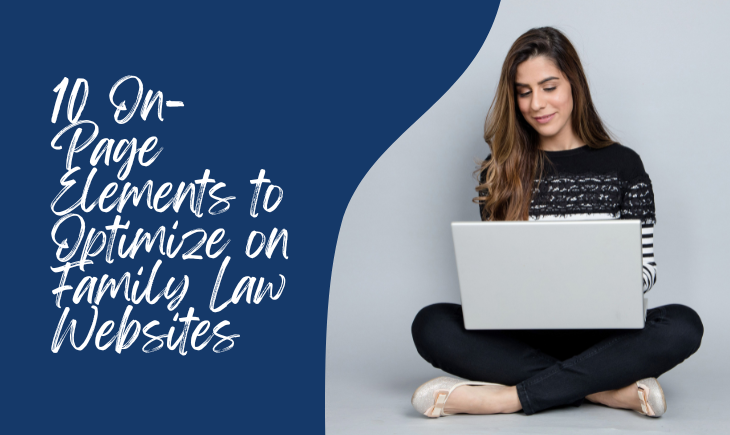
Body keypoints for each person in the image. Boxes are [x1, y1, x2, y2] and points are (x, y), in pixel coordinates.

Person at [410, 26, 703, 418]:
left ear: (574, 85)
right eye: (524, 91)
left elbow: (646, 269)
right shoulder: (500, 171)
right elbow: (494, 276)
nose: (536, 104)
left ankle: (507, 398)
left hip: (607, 335)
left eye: (549, 86)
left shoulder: (624, 165)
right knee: (430, 324)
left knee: (684, 325)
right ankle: (605, 389)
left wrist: (604, 281)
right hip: (524, 338)